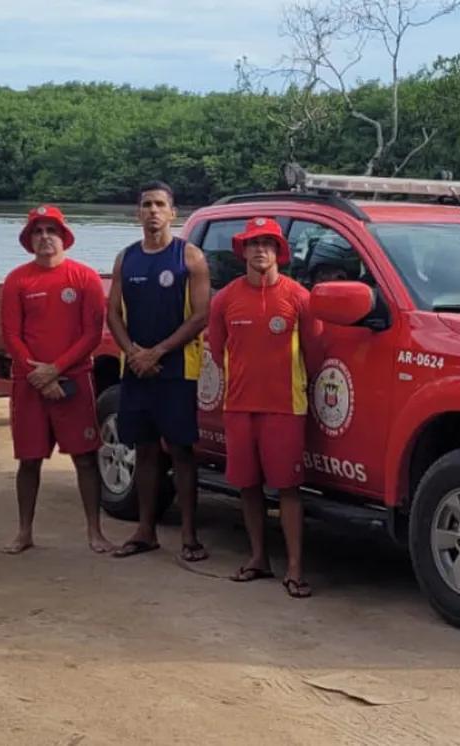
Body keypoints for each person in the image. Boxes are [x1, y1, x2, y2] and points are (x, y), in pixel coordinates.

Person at [207, 217, 324, 598]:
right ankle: (258, 558)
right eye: (253, 244)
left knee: (288, 488)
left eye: (268, 244)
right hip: (239, 406)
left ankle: (294, 567)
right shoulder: (225, 298)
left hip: (286, 408)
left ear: (279, 252)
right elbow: (217, 348)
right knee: (247, 486)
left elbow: (315, 352)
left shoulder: (299, 297)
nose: (260, 251)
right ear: (242, 251)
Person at [106, 181, 211, 561]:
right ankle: (145, 530)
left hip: (177, 369)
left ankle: (188, 535)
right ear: (138, 213)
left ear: (173, 213)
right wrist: (133, 352)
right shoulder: (126, 258)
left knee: (181, 451)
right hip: (136, 369)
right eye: (146, 204)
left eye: (159, 205)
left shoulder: (190, 257)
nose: (152, 211)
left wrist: (159, 352)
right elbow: (113, 313)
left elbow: (201, 316)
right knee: (145, 450)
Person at [0, 205, 114, 555]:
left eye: (51, 230)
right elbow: (10, 333)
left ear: (64, 237)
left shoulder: (85, 277)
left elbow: (92, 333)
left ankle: (95, 532)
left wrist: (57, 368)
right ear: (29, 239)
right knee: (29, 460)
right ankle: (24, 531)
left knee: (84, 457)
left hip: (74, 381)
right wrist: (38, 374)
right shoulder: (17, 279)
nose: (45, 237)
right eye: (38, 231)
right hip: (29, 383)